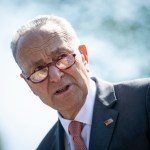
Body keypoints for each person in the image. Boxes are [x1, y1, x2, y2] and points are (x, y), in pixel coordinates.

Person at [11, 15, 150, 150]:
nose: (55, 76)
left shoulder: (144, 100)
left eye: (61, 57)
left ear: (84, 56)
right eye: (39, 70)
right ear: (29, 84)